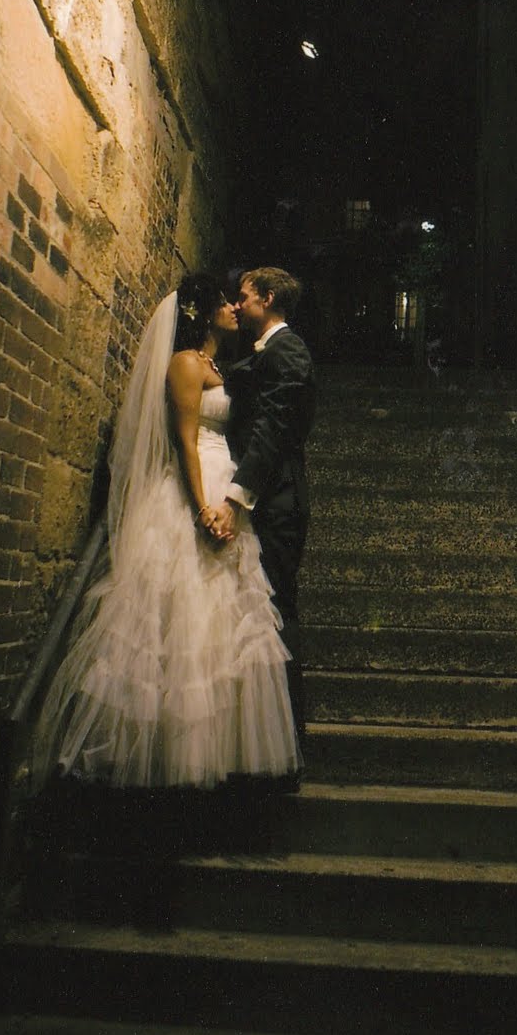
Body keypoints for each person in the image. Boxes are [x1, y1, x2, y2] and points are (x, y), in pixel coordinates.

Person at [31, 272, 300, 790]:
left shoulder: (221, 366)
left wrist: (232, 503)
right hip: (196, 488)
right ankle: (165, 765)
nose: (233, 309)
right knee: (178, 618)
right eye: (224, 303)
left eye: (235, 301)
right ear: (200, 314)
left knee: (222, 621)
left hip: (227, 486)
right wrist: (204, 506)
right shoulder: (184, 364)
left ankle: (214, 756)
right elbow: (184, 440)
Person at [206, 267, 315, 749]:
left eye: (245, 297)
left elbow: (272, 428)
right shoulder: (260, 351)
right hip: (266, 498)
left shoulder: (287, 349)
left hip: (278, 501)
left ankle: (286, 742)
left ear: (267, 299)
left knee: (274, 612)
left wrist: (236, 496)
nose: (237, 304)